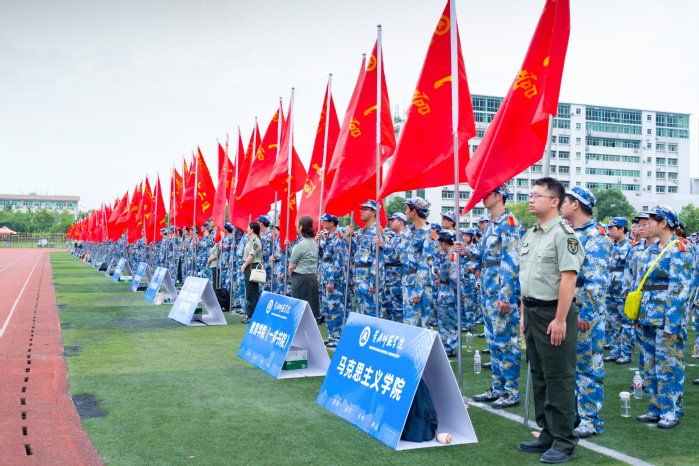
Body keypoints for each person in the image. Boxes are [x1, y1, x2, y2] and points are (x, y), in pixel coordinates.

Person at [517, 177, 584, 464]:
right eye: (530, 195)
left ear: (554, 201)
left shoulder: (564, 235)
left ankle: (565, 441)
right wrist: (523, 313)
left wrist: (560, 319)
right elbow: (526, 277)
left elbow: (568, 280)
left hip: (553, 312)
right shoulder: (531, 234)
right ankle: (548, 432)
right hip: (532, 311)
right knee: (540, 376)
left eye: (537, 195)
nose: (531, 200)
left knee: (558, 378)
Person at [635, 206, 693, 429]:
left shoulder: (680, 249)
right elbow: (641, 284)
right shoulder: (650, 250)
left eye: (651, 220)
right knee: (649, 364)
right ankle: (655, 407)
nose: (646, 224)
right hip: (647, 315)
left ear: (664, 223)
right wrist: (637, 314)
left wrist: (672, 322)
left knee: (668, 365)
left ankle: (671, 411)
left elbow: (680, 289)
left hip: (667, 317)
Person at [561, 186, 611, 438]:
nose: (561, 204)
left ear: (576, 204)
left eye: (565, 201)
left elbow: (596, 281)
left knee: (588, 366)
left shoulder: (595, 236)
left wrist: (587, 314)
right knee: (570, 366)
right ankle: (575, 415)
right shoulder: (568, 232)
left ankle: (591, 419)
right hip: (566, 308)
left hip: (584, 312)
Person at [471, 185, 523, 410]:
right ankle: (498, 387)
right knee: (493, 341)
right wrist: (465, 251)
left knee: (506, 342)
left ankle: (511, 391)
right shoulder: (491, 224)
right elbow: (484, 256)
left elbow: (511, 261)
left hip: (501, 291)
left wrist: (506, 295)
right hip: (488, 289)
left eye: (487, 193)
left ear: (499, 196)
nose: (483, 197)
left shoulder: (509, 223)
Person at [401, 197, 438, 327]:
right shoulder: (408, 232)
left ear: (414, 211)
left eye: (407, 209)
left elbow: (425, 264)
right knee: (408, 322)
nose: (405, 211)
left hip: (419, 285)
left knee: (420, 324)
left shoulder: (428, 233)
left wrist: (418, 291)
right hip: (407, 281)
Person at [346, 200, 383, 316]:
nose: (361, 211)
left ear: (374, 212)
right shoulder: (361, 231)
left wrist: (373, 281)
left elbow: (378, 258)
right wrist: (348, 237)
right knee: (362, 312)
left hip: (369, 279)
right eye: (361, 209)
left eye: (365, 209)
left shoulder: (377, 231)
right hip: (359, 278)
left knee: (372, 313)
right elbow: (355, 252)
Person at [605, 217, 634, 364]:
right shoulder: (612, 246)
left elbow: (632, 271)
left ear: (622, 229)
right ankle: (614, 352)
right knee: (613, 324)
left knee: (626, 325)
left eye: (612, 228)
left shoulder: (630, 247)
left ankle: (625, 354)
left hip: (623, 292)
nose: (609, 231)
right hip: (611, 291)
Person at [289, 216, 320, 318]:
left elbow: (291, 266)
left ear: (301, 227)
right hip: (312, 278)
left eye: (297, 225)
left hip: (300, 279)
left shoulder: (300, 244)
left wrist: (291, 276)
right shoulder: (314, 243)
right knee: (310, 310)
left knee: (298, 310)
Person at [380, 213, 408, 322]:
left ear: (400, 222)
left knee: (398, 309)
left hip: (397, 279)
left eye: (393, 220)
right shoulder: (394, 238)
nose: (390, 222)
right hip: (389, 278)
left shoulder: (405, 237)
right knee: (387, 308)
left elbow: (398, 257)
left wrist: (383, 246)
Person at [436, 230, 459, 357]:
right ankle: (446, 346)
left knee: (448, 322)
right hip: (445, 291)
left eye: (440, 242)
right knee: (444, 321)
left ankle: (450, 346)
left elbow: (454, 278)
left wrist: (459, 292)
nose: (440, 245)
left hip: (448, 292)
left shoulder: (452, 256)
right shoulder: (448, 255)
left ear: (444, 242)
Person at [240, 221, 263, 324]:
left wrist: (244, 266)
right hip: (249, 267)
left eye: (248, 227)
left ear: (252, 230)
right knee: (250, 292)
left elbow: (251, 256)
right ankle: (250, 314)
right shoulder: (250, 240)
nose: (247, 229)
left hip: (251, 267)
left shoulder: (255, 241)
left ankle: (253, 315)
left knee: (252, 292)